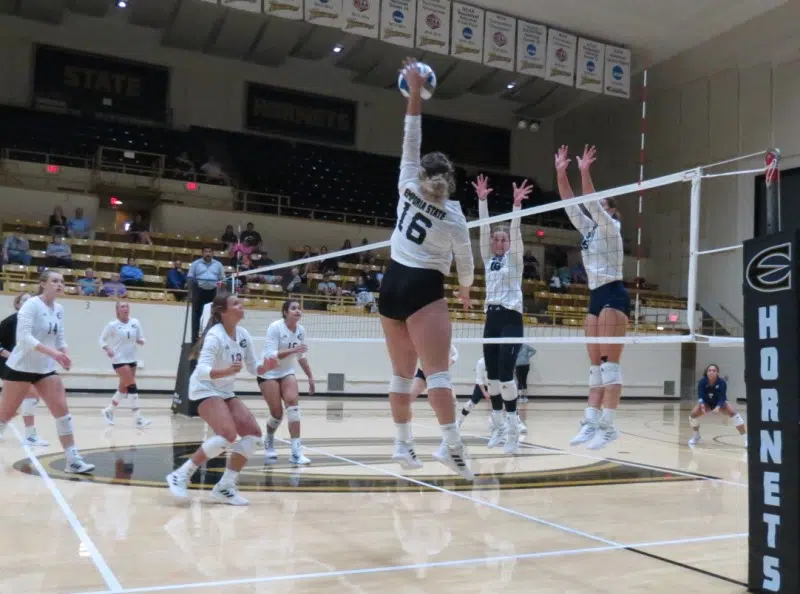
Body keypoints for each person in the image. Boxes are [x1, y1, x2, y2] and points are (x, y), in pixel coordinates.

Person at [377, 58, 475, 480]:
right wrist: (467, 288)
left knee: (401, 378)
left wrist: (414, 93)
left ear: (422, 173)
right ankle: (453, 449)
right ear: (449, 180)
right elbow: (466, 266)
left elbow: (410, 135)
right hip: (423, 290)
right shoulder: (453, 216)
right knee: (437, 375)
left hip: (391, 284)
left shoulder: (405, 183)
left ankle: (403, 446)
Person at [166, 294, 274, 505]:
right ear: (223, 312)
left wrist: (266, 367)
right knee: (227, 435)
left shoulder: (243, 335)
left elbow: (254, 368)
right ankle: (180, 475)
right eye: (236, 303)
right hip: (203, 388)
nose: (241, 305)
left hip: (224, 390)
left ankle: (225, 487)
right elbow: (202, 370)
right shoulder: (215, 336)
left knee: (253, 436)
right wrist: (226, 371)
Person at [555, 145, 629, 451]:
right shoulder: (589, 229)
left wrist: (585, 171)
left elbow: (589, 201)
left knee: (610, 366)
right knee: (595, 368)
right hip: (594, 296)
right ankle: (591, 422)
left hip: (614, 292)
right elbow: (571, 203)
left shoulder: (611, 227)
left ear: (610, 210)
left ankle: (609, 426)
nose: (595, 205)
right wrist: (561, 172)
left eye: (602, 202)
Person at [0, 270, 94, 473]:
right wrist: (54, 354)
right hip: (21, 367)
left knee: (62, 413)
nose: (60, 284)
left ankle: (72, 459)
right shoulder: (31, 305)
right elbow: (24, 338)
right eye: (55, 281)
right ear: (43, 284)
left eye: (61, 281)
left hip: (45, 369)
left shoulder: (59, 308)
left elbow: (59, 336)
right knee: (5, 415)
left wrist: (64, 354)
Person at [472, 174, 533, 455]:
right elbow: (483, 230)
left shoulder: (515, 259)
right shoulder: (488, 259)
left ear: (508, 242)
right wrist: (482, 201)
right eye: (496, 239)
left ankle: (511, 424)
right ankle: (497, 423)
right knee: (493, 377)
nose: (498, 242)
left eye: (503, 239)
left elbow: (517, 233)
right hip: (491, 319)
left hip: (511, 318)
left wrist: (516, 207)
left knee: (507, 374)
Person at [259, 300, 316, 464]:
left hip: (287, 372)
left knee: (293, 407)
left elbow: (300, 357)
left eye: (299, 308)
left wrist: (310, 378)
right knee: (277, 414)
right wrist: (293, 350)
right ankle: (269, 438)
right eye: (293, 308)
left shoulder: (301, 331)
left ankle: (296, 453)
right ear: (285, 312)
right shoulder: (275, 327)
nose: (297, 311)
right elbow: (271, 354)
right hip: (268, 372)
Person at [0, 293, 48, 446]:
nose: (28, 303)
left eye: (30, 300)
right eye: (24, 300)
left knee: (13, 404)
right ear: (18, 304)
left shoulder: (35, 323)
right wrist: (11, 356)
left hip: (25, 365)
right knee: (31, 397)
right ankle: (30, 435)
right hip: (7, 364)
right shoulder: (9, 322)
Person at [100, 302, 150, 428]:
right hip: (119, 360)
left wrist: (141, 341)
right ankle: (138, 419)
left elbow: (142, 338)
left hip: (132, 358)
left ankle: (109, 411)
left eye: (127, 306)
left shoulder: (135, 322)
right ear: (117, 310)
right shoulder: (112, 325)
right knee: (132, 386)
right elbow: (101, 339)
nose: (125, 308)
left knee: (123, 388)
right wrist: (107, 349)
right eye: (122, 306)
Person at [409, 343, 458, 462]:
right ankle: (406, 436)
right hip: (423, 373)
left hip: (439, 374)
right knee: (408, 399)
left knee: (452, 403)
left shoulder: (442, 337)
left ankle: (449, 441)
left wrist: (448, 363)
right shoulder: (419, 336)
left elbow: (456, 354)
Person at [689, 364, 747, 448]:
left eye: (714, 370)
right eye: (709, 370)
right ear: (707, 372)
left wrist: (718, 407)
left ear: (717, 373)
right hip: (706, 403)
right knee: (692, 416)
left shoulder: (722, 382)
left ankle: (746, 439)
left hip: (720, 403)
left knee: (735, 416)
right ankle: (696, 436)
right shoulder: (702, 382)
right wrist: (702, 405)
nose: (711, 372)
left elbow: (722, 397)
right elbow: (700, 395)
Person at [186, 247, 225, 343]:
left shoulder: (218, 265)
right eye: (206, 252)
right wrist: (190, 294)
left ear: (213, 253)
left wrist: (221, 294)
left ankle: (211, 337)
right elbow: (190, 278)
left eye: (210, 252)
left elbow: (222, 279)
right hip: (199, 291)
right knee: (196, 315)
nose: (208, 254)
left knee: (213, 315)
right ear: (202, 253)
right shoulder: (196, 264)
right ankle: (194, 339)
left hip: (213, 292)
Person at [457, 356, 489, 427]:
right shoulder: (481, 362)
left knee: (506, 402)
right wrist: (484, 392)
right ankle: (459, 421)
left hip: (495, 384)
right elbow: (479, 379)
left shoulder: (500, 359)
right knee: (471, 404)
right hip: (482, 385)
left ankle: (516, 423)